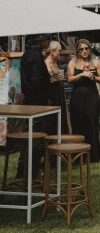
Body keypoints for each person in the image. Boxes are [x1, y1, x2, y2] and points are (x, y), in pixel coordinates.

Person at [17, 34, 53, 177]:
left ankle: (22, 171)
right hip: (37, 104)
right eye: (48, 38)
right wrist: (45, 99)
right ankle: (33, 173)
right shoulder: (36, 57)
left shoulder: (27, 54)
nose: (50, 41)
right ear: (40, 40)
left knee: (28, 139)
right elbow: (36, 82)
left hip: (30, 101)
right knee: (36, 139)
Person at [67, 39, 100, 162]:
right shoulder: (72, 63)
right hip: (78, 99)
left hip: (91, 98)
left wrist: (93, 77)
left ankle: (93, 155)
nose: (84, 51)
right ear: (77, 51)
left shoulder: (95, 63)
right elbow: (69, 79)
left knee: (92, 124)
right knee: (78, 124)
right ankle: (78, 156)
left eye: (87, 48)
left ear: (90, 49)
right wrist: (81, 75)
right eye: (81, 49)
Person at [44, 41, 69, 134]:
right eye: (59, 50)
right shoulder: (45, 64)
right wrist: (53, 78)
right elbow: (44, 81)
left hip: (59, 95)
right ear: (52, 51)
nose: (60, 53)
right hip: (52, 97)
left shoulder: (56, 63)